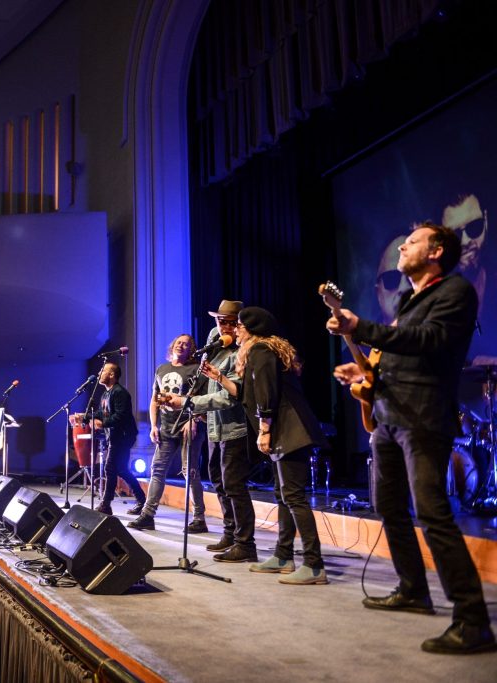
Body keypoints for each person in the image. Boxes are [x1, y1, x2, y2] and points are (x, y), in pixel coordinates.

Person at [328, 221, 495, 654]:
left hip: (422, 417)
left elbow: (427, 341)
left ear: (436, 251)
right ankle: (413, 589)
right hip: (388, 415)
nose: (403, 245)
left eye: (414, 241)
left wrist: (360, 327)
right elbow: (401, 351)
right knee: (387, 505)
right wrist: (365, 372)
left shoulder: (455, 293)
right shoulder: (407, 297)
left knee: (432, 512)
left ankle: (473, 620)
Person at [199, 307, 327, 581]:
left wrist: (265, 429)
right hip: (288, 432)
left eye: (240, 326)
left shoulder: (261, 351)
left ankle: (314, 565)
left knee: (294, 498)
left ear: (251, 330)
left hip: (291, 432)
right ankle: (283, 556)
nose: (235, 330)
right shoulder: (260, 351)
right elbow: (246, 393)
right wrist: (219, 378)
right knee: (283, 496)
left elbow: (267, 394)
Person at [169, 300, 257, 555]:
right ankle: (230, 534)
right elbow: (206, 382)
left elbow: (230, 396)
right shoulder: (214, 341)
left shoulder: (241, 350)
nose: (224, 327)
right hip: (214, 429)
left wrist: (190, 403)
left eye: (230, 322)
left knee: (233, 485)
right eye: (220, 321)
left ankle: (245, 543)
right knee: (218, 480)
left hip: (235, 427)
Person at [128, 334, 208, 531]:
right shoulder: (161, 369)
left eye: (187, 344)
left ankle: (199, 519)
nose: (182, 346)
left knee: (190, 472)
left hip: (189, 427)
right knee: (157, 470)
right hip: (166, 428)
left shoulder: (196, 370)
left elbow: (205, 399)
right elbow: (155, 400)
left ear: (191, 350)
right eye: (179, 342)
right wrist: (154, 426)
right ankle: (147, 515)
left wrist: (194, 419)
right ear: (172, 346)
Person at [79, 362, 145, 515]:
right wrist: (84, 417)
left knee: (110, 468)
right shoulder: (105, 394)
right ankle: (141, 500)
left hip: (123, 436)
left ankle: (106, 504)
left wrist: (102, 424)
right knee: (121, 469)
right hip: (114, 436)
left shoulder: (120, 392)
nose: (100, 372)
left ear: (111, 375)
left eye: (103, 370)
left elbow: (120, 416)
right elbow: (103, 414)